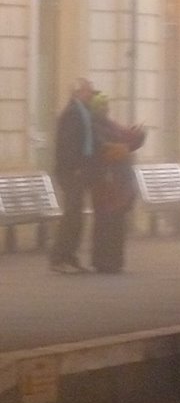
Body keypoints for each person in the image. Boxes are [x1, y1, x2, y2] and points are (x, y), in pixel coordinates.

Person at [89, 93, 146, 274]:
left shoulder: (109, 125)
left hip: (118, 182)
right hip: (105, 180)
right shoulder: (93, 127)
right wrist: (123, 147)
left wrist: (138, 134)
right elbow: (103, 148)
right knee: (106, 222)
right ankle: (104, 260)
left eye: (106, 106)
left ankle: (113, 260)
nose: (105, 109)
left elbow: (128, 138)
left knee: (115, 222)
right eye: (101, 106)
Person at [49, 78, 98, 273]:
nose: (91, 95)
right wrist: (74, 167)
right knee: (71, 215)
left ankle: (70, 256)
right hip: (72, 172)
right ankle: (59, 258)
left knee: (77, 215)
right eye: (88, 92)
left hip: (80, 170)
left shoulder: (83, 112)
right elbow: (68, 144)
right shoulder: (72, 113)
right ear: (79, 93)